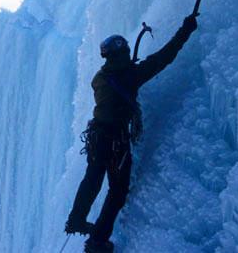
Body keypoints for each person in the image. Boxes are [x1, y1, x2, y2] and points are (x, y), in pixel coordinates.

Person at [65, 14, 198, 252]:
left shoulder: (101, 77)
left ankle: (76, 218)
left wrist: (127, 70)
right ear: (122, 55)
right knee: (118, 190)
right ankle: (97, 241)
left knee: (92, 180)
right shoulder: (129, 77)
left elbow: (120, 80)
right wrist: (185, 29)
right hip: (115, 141)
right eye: (125, 53)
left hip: (97, 136)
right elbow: (163, 58)